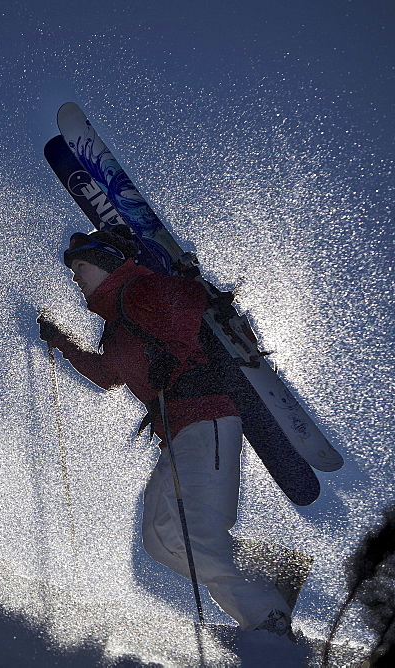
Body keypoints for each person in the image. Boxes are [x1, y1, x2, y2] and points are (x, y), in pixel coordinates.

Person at [38, 227, 295, 638]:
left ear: (106, 264)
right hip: (177, 434)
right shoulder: (117, 326)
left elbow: (190, 297)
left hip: (206, 418)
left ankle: (266, 617)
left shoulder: (138, 289)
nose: (75, 277)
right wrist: (62, 342)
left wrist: (172, 353)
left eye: (81, 267)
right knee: (159, 540)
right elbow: (108, 375)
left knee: (194, 529)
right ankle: (261, 580)